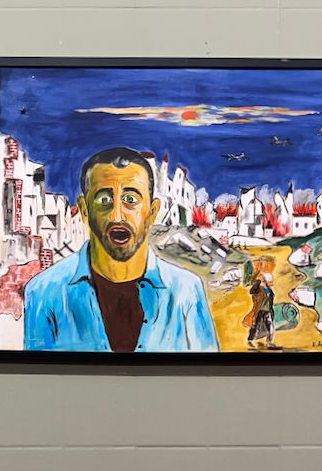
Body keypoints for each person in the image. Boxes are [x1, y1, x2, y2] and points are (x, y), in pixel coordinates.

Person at [23, 146, 219, 352]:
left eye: (130, 199)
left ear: (152, 212)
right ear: (85, 210)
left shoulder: (186, 291)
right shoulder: (44, 293)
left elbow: (206, 369)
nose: (117, 216)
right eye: (104, 200)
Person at [243, 261, 276, 348]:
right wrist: (258, 282)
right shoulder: (259, 289)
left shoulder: (270, 290)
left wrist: (271, 310)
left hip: (267, 311)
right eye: (269, 281)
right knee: (255, 326)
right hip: (260, 311)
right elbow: (251, 291)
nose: (270, 283)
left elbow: (270, 301)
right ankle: (250, 340)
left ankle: (269, 342)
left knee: (270, 327)